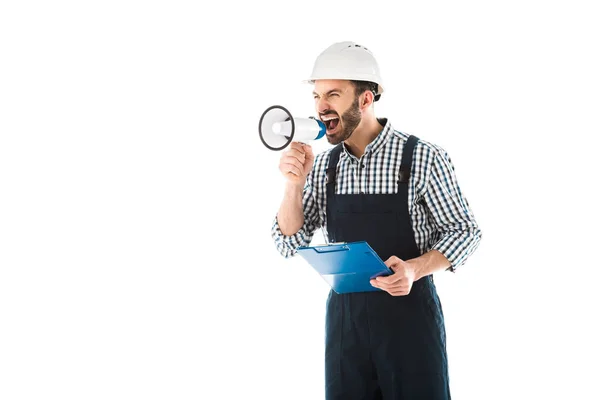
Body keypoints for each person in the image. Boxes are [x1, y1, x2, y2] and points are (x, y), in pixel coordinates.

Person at [270, 41, 482, 400]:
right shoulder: (324, 165)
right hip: (345, 329)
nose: (321, 106)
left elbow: (465, 231)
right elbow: (289, 242)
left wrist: (414, 269)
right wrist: (294, 185)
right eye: (318, 95)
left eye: (333, 94)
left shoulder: (422, 157)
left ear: (365, 99)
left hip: (410, 327)